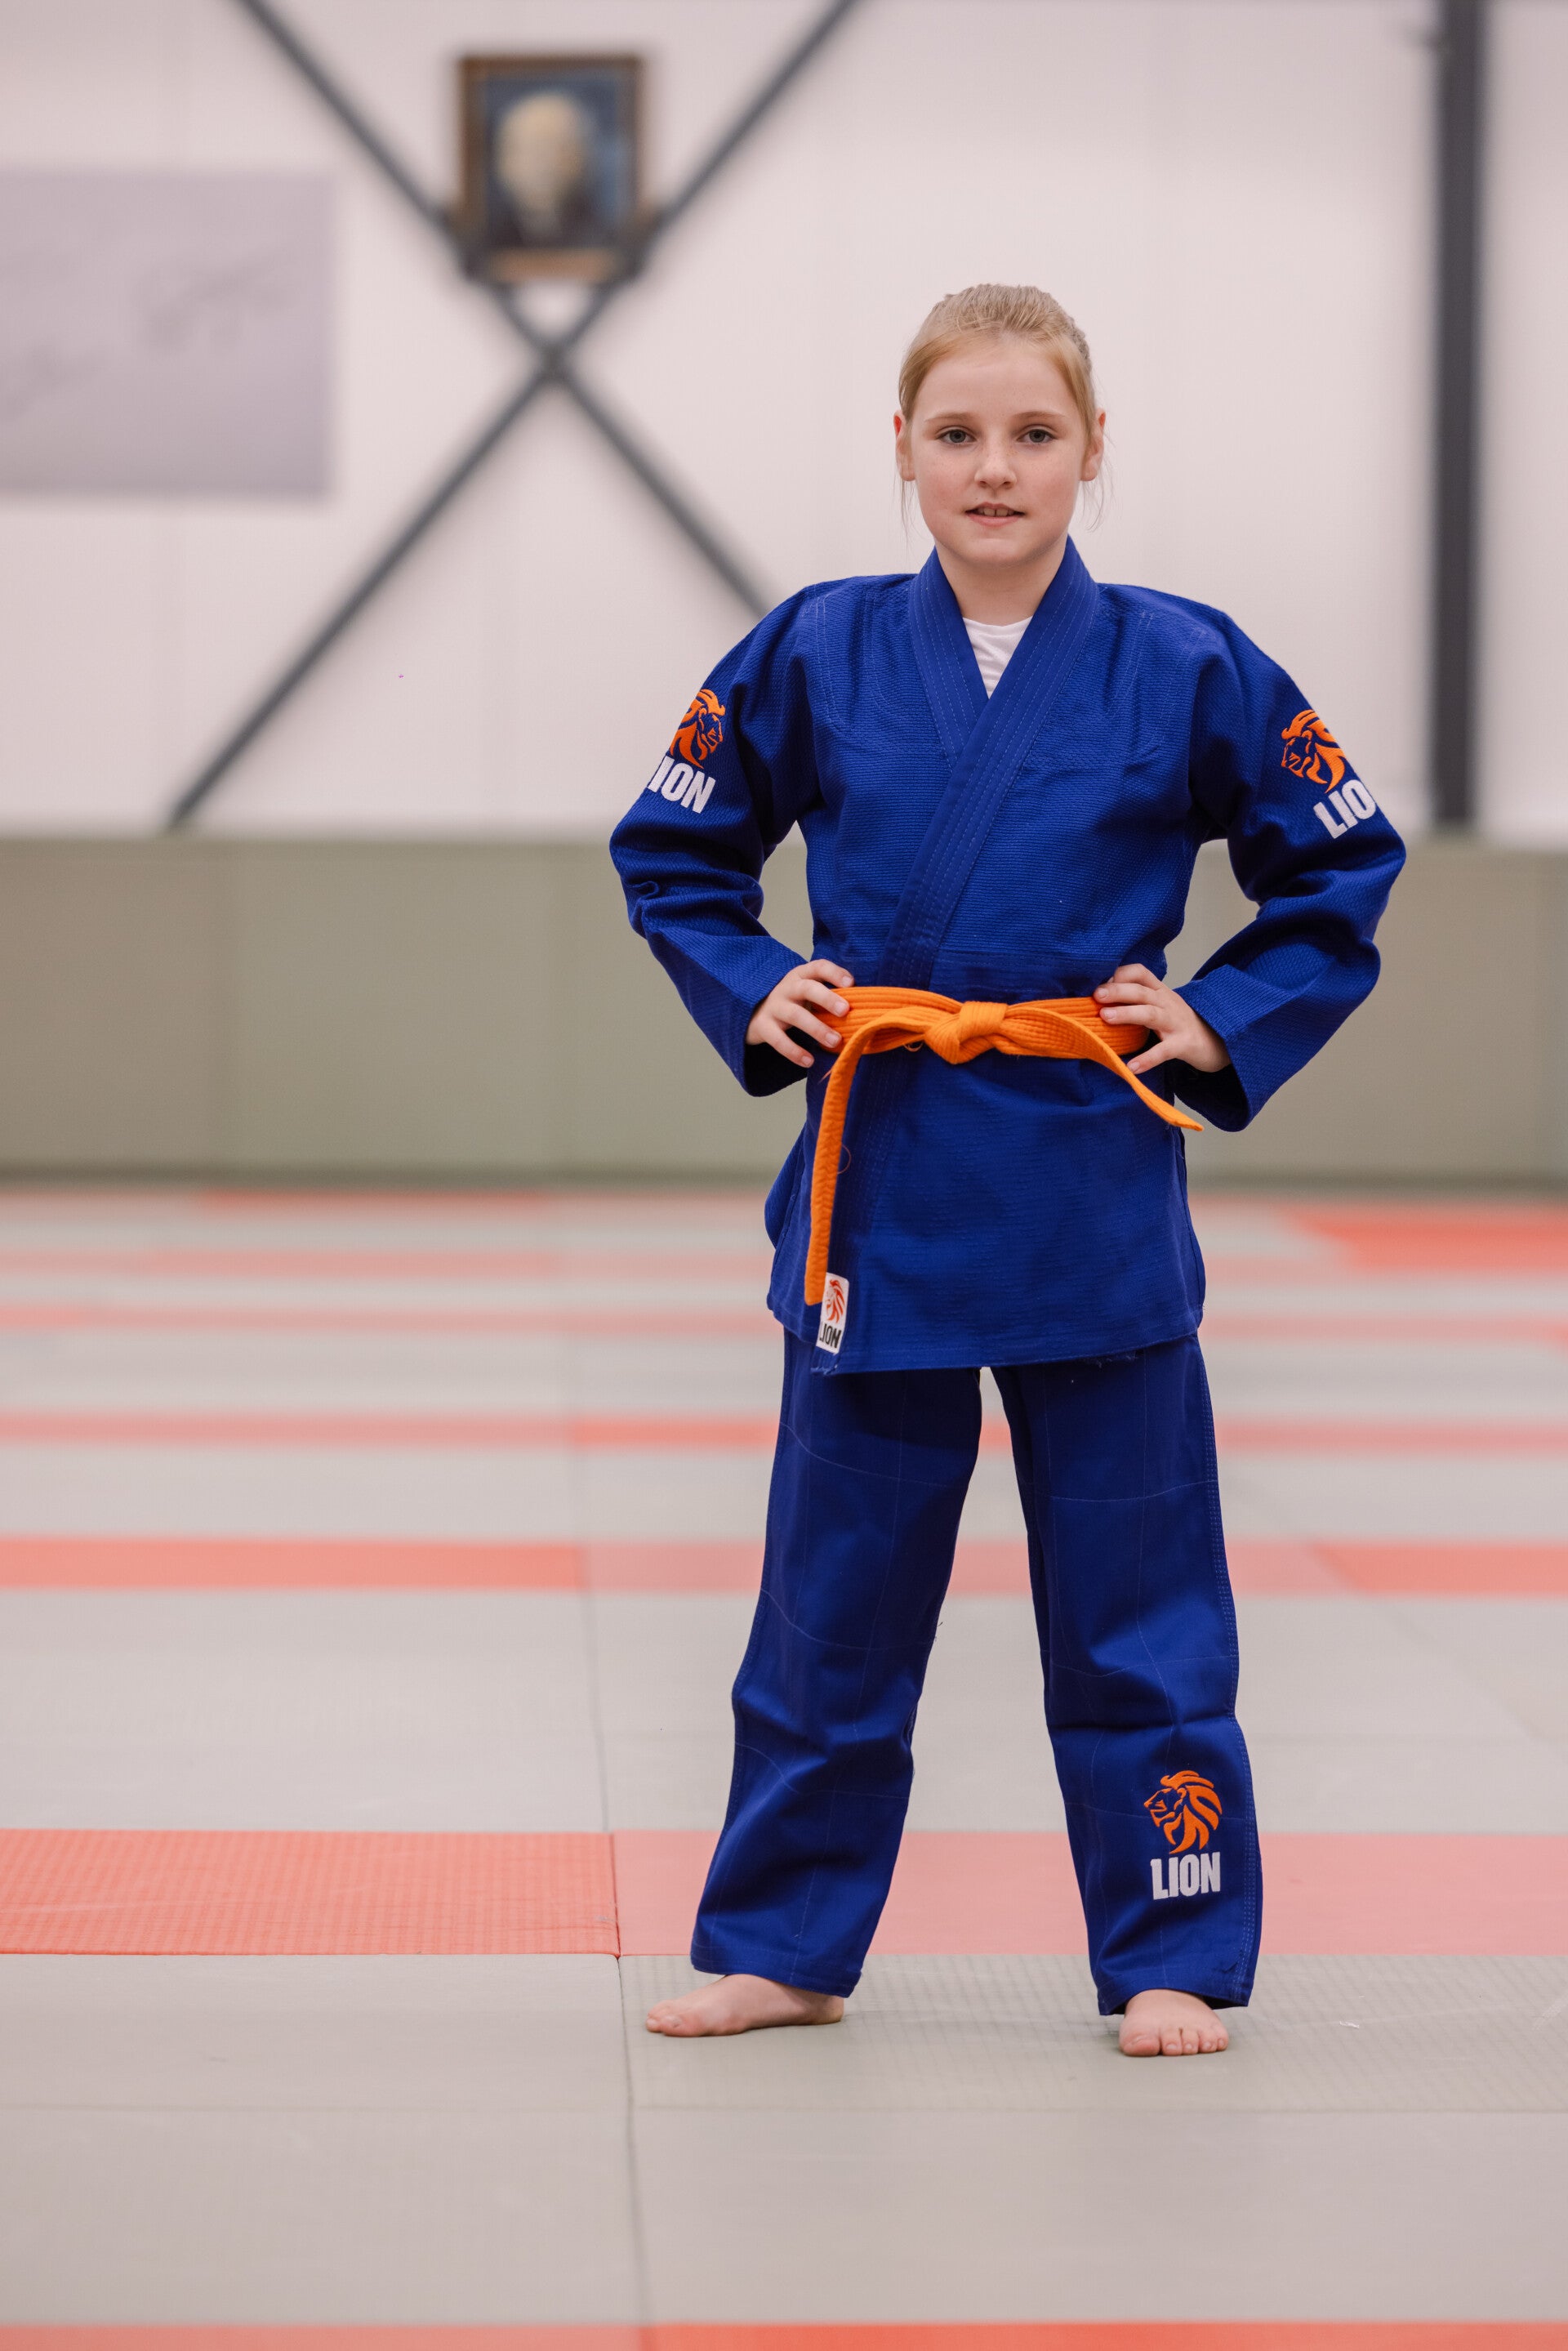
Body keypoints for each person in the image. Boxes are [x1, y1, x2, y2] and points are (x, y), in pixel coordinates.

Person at [609, 283, 1403, 2058]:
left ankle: (1174, 1944)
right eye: (956, 433)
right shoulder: (815, 647)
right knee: (829, 1609)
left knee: (1142, 1610)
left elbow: (1340, 864)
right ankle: (784, 1944)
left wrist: (1219, 1017)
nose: (994, 467)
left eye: (1034, 433)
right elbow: (674, 846)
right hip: (883, 1187)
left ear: (1092, 450)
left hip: (1087, 1187)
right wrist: (753, 980)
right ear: (899, 449)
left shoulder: (1189, 662)